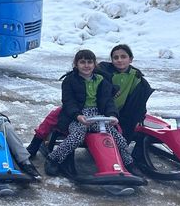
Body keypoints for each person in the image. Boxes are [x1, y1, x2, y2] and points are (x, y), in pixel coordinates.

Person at [26, 44, 154, 157]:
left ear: (130, 59)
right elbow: (78, 79)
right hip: (81, 107)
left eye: (123, 57)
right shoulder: (103, 70)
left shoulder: (137, 79)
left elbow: (140, 101)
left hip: (110, 111)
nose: (119, 60)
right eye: (116, 57)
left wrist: (138, 117)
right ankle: (36, 143)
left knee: (118, 131)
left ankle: (118, 155)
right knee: (53, 117)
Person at [44, 50, 135, 176]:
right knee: (77, 136)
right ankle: (53, 159)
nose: (86, 65)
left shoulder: (102, 80)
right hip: (77, 116)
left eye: (89, 62)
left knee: (118, 138)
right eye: (82, 62)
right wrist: (77, 115)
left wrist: (112, 115)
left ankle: (128, 163)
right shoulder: (70, 81)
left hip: (98, 116)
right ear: (76, 64)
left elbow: (108, 101)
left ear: (94, 64)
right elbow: (69, 102)